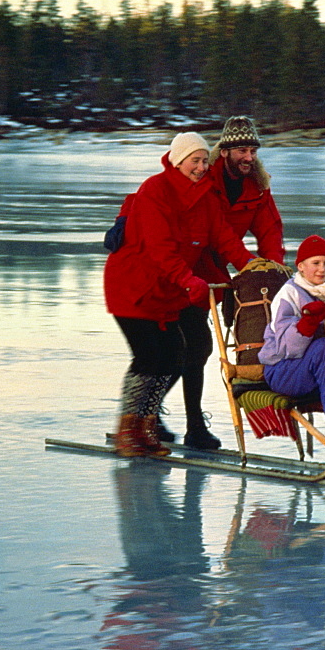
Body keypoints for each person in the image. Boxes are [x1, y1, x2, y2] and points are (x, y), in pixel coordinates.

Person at [104, 132, 256, 457]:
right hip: (133, 287)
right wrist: (189, 281)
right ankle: (126, 429)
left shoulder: (206, 198)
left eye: (204, 161)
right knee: (148, 358)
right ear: (177, 161)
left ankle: (145, 427)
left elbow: (225, 239)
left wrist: (255, 267)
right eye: (195, 161)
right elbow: (161, 250)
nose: (201, 167)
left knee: (174, 356)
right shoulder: (154, 191)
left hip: (167, 292)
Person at [171, 116, 286, 449]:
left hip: (216, 276)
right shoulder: (203, 174)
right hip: (183, 270)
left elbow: (269, 230)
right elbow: (159, 194)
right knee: (190, 348)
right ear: (224, 152)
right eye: (241, 150)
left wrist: (270, 269)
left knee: (195, 348)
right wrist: (126, 219)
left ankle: (181, 423)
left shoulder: (258, 186)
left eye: (252, 150)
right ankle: (170, 421)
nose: (248, 157)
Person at [258, 235, 325, 442]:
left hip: (316, 369)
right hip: (283, 370)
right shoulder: (289, 293)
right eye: (315, 263)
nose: (322, 269)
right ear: (300, 266)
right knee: (324, 347)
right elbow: (287, 347)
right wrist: (307, 323)